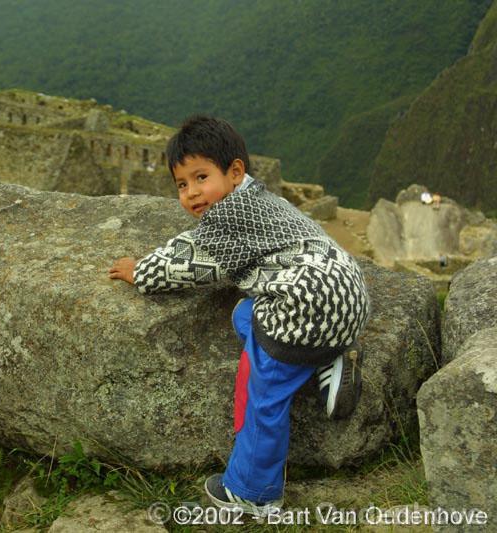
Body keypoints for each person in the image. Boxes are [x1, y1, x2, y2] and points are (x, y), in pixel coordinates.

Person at [108, 115, 370, 518]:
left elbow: (188, 261)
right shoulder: (263, 201)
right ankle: (331, 355)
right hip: (346, 298)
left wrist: (139, 271)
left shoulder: (227, 222)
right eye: (182, 184)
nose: (192, 193)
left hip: (303, 306)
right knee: (246, 314)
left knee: (266, 396)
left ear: (234, 173)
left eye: (201, 178)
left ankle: (253, 491)